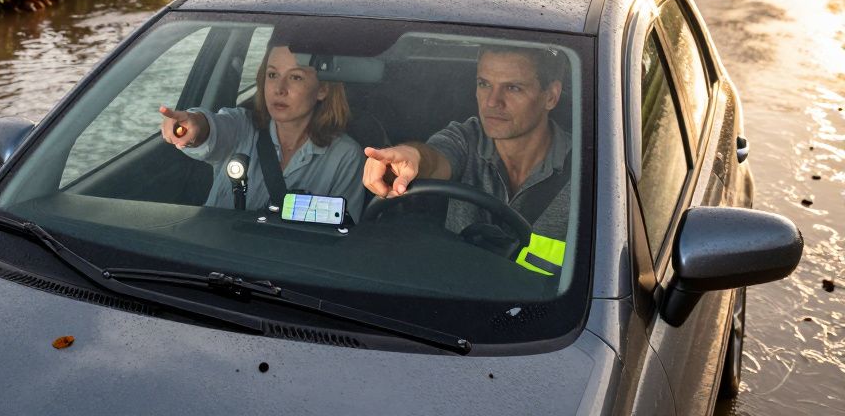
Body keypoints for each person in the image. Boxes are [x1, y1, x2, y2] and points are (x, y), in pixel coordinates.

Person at [362, 45, 571, 276]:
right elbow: (433, 158)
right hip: (459, 295)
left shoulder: (588, 169)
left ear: (551, 96)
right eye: (484, 84)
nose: (492, 102)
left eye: (513, 88)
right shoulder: (466, 138)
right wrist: (410, 157)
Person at [159, 43, 366, 222]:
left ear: (323, 89)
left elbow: (341, 238)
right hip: (209, 259)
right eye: (273, 75)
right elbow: (213, 129)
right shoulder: (242, 126)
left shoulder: (345, 157)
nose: (279, 89)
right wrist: (195, 125)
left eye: (295, 77)